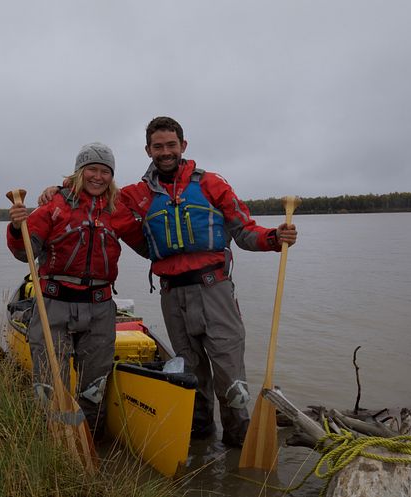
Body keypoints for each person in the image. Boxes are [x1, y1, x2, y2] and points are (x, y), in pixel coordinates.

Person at [40, 118, 297, 447]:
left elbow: (244, 230)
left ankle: (237, 442)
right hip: (172, 294)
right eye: (158, 147)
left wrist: (274, 237)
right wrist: (64, 186)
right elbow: (98, 195)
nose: (165, 152)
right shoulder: (138, 194)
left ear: (183, 146)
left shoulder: (211, 184)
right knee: (190, 371)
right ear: (148, 150)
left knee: (230, 376)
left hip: (215, 288)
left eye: (171, 145)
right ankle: (200, 438)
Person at [7, 142, 144, 439]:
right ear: (80, 172)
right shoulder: (55, 204)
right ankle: (56, 443)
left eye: (105, 171)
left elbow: (146, 244)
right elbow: (24, 252)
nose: (98, 177)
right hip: (54, 304)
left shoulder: (118, 209)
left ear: (112, 176)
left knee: (94, 387)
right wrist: (18, 229)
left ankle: (91, 441)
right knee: (50, 384)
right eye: (92, 169)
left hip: (99, 308)